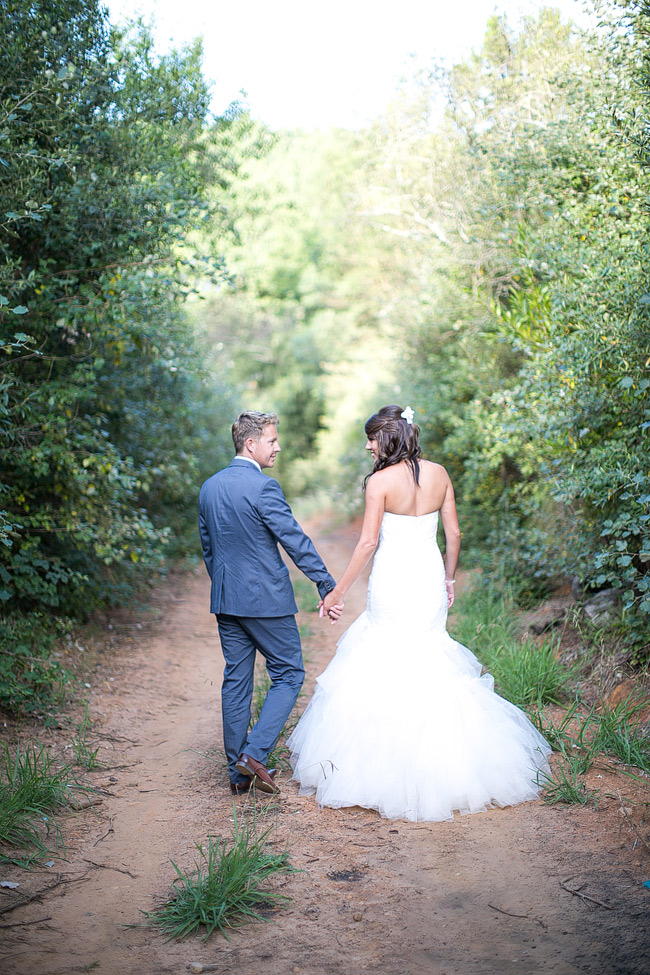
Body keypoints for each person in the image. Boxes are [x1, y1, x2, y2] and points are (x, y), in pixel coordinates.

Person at [288, 405, 552, 822]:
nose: (368, 446)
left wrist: (336, 592)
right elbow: (455, 533)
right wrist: (449, 580)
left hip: (394, 582)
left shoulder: (379, 482)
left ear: (387, 439)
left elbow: (368, 544)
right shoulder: (440, 473)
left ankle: (379, 767)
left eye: (372, 439)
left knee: (386, 655)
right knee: (430, 655)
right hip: (427, 579)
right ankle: (452, 765)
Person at [199, 410, 337, 796]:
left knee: (236, 680)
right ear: (251, 443)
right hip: (266, 601)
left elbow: (209, 550)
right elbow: (293, 539)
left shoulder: (209, 487)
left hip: (226, 599)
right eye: (273, 440)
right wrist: (324, 583)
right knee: (290, 673)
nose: (277, 447)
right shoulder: (264, 488)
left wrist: (227, 586)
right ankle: (255, 754)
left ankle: (237, 773)